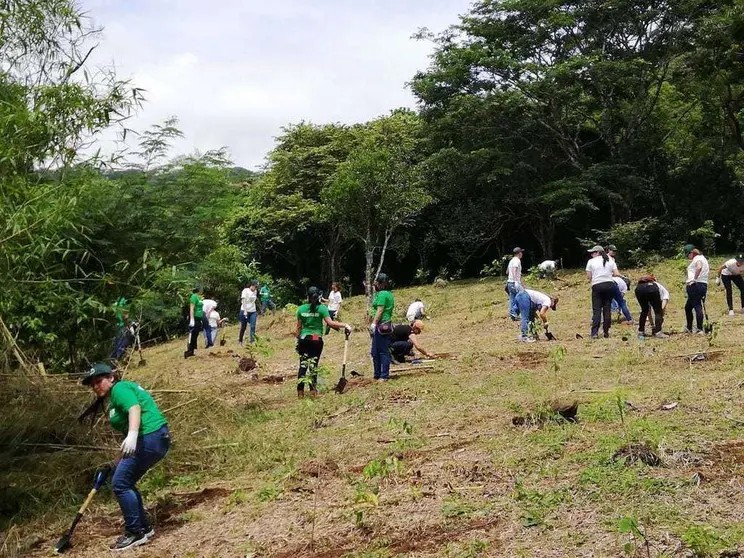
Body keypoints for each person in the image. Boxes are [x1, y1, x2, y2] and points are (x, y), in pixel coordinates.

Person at [81, 363, 169, 551]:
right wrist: (115, 462)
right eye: (93, 384)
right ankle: (143, 528)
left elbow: (135, 409)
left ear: (111, 378)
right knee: (125, 481)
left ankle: (135, 532)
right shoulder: (114, 398)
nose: (96, 386)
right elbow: (127, 436)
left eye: (99, 381)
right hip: (153, 437)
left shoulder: (119, 388)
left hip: (150, 436)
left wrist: (133, 434)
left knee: (120, 483)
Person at [295, 287, 350, 398]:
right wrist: (345, 325)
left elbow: (298, 328)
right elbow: (331, 323)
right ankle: (312, 391)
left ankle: (300, 392)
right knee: (313, 366)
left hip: (304, 339)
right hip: (316, 340)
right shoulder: (322, 308)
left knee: (303, 365)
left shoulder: (300, 309)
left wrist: (297, 341)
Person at [585, 246, 620, 339]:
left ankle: (594, 333)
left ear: (598, 253)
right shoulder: (610, 260)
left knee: (596, 310)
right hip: (609, 285)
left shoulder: (591, 261)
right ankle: (606, 332)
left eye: (593, 252)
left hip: (597, 285)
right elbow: (616, 273)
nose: (591, 254)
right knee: (607, 308)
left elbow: (589, 277)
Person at [369, 273, 395, 382]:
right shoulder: (385, 293)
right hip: (380, 324)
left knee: (383, 351)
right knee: (375, 351)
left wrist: (374, 323)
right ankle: (377, 374)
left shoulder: (383, 294)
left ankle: (384, 375)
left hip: (382, 324)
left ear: (381, 283)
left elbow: (380, 310)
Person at [683, 244, 709, 334]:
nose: (688, 257)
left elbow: (699, 267)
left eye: (687, 255)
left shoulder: (697, 259)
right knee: (688, 308)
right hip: (703, 285)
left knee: (697, 307)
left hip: (695, 285)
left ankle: (699, 329)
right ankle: (689, 328)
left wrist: (694, 279)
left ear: (691, 253)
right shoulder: (703, 258)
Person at [184, 287, 203, 359]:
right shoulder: (194, 297)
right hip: (194, 318)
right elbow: (191, 308)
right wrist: (192, 319)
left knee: (195, 334)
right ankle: (189, 351)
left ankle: (192, 350)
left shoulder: (198, 297)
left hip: (198, 319)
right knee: (192, 334)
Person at [506, 247, 524, 320]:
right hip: (514, 283)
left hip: (509, 282)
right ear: (519, 253)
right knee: (522, 296)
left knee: (512, 298)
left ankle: (513, 314)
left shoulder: (511, 260)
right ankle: (515, 312)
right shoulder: (517, 260)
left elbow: (507, 271)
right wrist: (516, 280)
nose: (522, 254)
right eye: (521, 252)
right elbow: (514, 269)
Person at [238, 280, 258, 345]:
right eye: (255, 286)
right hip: (244, 310)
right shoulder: (245, 290)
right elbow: (243, 301)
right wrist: (245, 311)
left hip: (253, 311)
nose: (256, 288)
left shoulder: (255, 291)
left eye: (256, 287)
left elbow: (253, 301)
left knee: (253, 326)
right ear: (252, 285)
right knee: (243, 327)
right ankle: (240, 340)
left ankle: (252, 341)